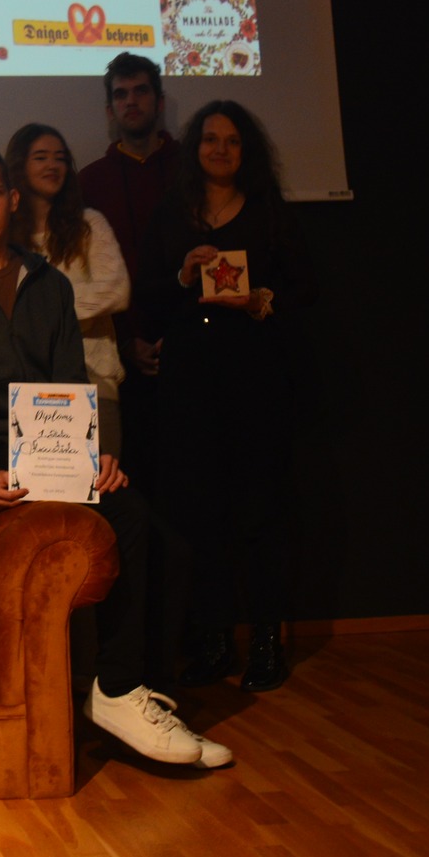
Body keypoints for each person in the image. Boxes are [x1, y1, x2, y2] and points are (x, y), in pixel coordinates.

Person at [0, 146, 229, 769]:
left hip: (54, 452)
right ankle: (119, 689)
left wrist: (95, 458)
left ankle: (131, 691)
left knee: (164, 540)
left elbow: (69, 386)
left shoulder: (50, 285)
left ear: (13, 198)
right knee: (127, 522)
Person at [143, 102, 313, 694]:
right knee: (199, 513)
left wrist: (259, 300)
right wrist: (183, 276)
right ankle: (214, 642)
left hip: (255, 380)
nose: (220, 149)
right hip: (189, 383)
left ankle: (266, 642)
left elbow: (305, 293)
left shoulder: (269, 214)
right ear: (194, 149)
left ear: (247, 151)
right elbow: (147, 298)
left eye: (232, 141)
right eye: (210, 139)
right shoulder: (171, 214)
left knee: (260, 511)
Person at [75, 53, 179, 490]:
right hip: (121, 354)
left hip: (191, 342)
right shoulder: (88, 182)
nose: (131, 102)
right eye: (121, 95)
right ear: (109, 110)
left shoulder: (190, 170)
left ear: (159, 101)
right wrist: (126, 340)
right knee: (132, 481)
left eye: (140, 91)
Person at [5, 123, 131, 402]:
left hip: (93, 378)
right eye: (41, 157)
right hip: (28, 384)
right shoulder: (5, 234)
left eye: (60, 158)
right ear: (19, 165)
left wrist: (45, 310)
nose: (52, 165)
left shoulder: (89, 224)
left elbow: (117, 290)